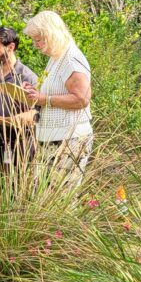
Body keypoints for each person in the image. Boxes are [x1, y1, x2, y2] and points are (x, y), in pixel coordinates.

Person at [22, 10, 93, 181]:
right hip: (52, 139)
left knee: (63, 197)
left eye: (38, 39)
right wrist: (34, 92)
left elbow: (82, 98)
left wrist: (45, 99)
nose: (35, 44)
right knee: (48, 197)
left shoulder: (71, 58)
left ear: (51, 35)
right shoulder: (56, 57)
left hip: (69, 139)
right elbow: (54, 91)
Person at [0, 26, 39, 182]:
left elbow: (34, 115)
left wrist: (1, 120)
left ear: (11, 47)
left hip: (19, 141)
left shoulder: (27, 77)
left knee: (16, 187)